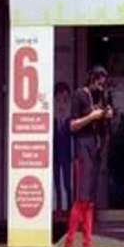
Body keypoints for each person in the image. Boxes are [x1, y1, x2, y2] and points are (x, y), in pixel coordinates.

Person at [63, 66, 113, 247]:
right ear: (91, 78)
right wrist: (91, 117)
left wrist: (107, 114)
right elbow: (72, 125)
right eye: (98, 81)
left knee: (91, 202)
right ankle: (68, 246)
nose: (101, 86)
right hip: (82, 146)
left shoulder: (101, 96)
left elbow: (104, 121)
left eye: (103, 83)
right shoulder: (80, 95)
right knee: (81, 198)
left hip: (96, 147)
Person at [53, 82, 73, 214]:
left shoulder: (70, 121)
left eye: (65, 101)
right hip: (54, 155)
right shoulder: (52, 121)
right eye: (58, 100)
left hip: (67, 155)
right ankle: (58, 207)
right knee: (57, 183)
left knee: (67, 182)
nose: (61, 105)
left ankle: (70, 207)